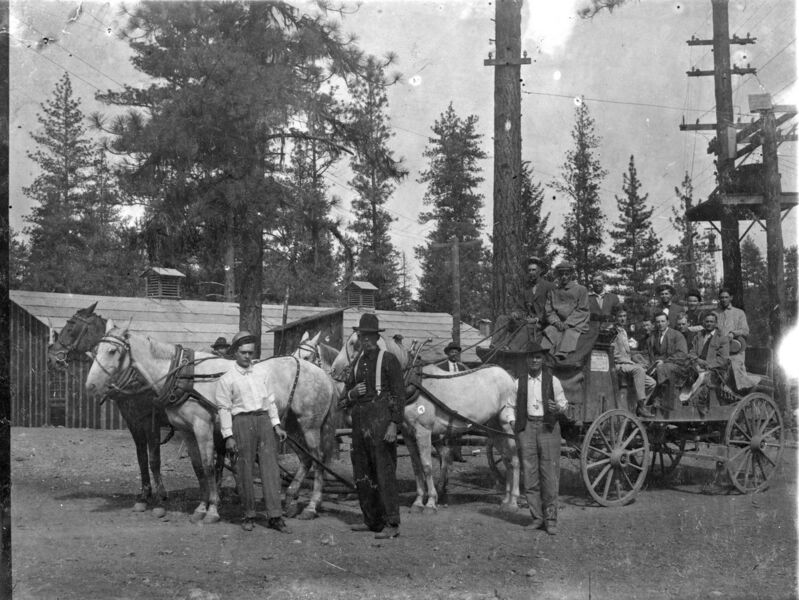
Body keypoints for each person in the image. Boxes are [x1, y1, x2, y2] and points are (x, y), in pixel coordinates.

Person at [216, 331, 290, 533]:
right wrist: (228, 436)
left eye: (250, 352)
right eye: (243, 353)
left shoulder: (262, 374)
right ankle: (248, 514)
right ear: (235, 353)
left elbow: (270, 401)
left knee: (271, 468)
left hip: (263, 420)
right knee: (244, 469)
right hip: (241, 422)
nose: (248, 356)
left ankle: (275, 516)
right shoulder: (227, 379)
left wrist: (276, 425)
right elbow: (224, 408)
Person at [339, 313, 405, 539]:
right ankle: (371, 520)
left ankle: (392, 523)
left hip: (381, 424)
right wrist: (352, 393)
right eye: (362, 336)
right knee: (362, 473)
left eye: (369, 336)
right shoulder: (356, 364)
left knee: (384, 473)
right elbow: (342, 400)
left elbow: (399, 395)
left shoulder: (389, 360)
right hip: (360, 425)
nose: (365, 340)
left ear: (377, 337)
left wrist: (394, 424)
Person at [508, 340, 568, 535]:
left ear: (542, 359)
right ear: (526, 360)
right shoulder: (519, 382)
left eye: (537, 357)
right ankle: (537, 518)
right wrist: (513, 423)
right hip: (527, 428)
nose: (534, 360)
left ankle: (550, 520)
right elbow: (509, 406)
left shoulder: (553, 380)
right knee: (530, 475)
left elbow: (564, 404)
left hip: (548, 428)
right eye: (531, 357)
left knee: (549, 476)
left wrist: (557, 408)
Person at [491, 256, 553, 352]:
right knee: (502, 319)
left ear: (540, 271)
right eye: (529, 270)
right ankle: (495, 346)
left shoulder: (549, 287)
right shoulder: (526, 289)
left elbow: (552, 309)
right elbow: (521, 308)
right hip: (526, 320)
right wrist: (516, 313)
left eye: (533, 270)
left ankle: (511, 349)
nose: (531, 272)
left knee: (527, 327)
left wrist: (536, 319)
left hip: (542, 323)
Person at [611, 306, 656, 418]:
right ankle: (641, 407)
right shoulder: (613, 331)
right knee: (638, 369)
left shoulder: (623, 331)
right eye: (620, 316)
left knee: (651, 383)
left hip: (626, 364)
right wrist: (632, 363)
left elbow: (627, 352)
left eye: (624, 316)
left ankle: (637, 407)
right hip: (618, 365)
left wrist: (637, 359)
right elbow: (614, 355)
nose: (623, 319)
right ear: (615, 317)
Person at [542, 261, 590, 362]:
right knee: (550, 331)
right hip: (558, 323)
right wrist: (556, 322)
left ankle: (562, 355)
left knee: (570, 333)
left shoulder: (581, 289)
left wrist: (568, 323)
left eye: (567, 274)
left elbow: (582, 309)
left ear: (571, 275)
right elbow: (549, 310)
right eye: (561, 274)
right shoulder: (553, 291)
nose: (564, 277)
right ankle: (544, 355)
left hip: (576, 323)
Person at [713, 288, 760, 392]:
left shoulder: (739, 313)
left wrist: (733, 333)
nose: (724, 300)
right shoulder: (715, 313)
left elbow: (745, 331)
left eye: (726, 297)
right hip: (718, 350)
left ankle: (735, 392)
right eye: (721, 297)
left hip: (735, 350)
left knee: (733, 366)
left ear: (731, 298)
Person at [683, 312, 730, 414]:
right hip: (697, 365)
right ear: (703, 322)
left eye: (711, 322)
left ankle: (698, 403)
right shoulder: (699, 336)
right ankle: (681, 400)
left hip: (716, 370)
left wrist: (706, 365)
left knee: (705, 377)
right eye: (707, 321)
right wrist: (697, 362)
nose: (709, 324)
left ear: (716, 323)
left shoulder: (722, 338)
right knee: (682, 371)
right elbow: (692, 352)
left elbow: (723, 359)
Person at [647, 312, 691, 410]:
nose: (660, 324)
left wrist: (664, 361)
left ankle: (659, 398)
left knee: (663, 368)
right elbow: (649, 353)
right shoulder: (653, 337)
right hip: (658, 365)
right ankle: (645, 399)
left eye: (663, 321)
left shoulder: (677, 335)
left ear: (668, 322)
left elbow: (682, 354)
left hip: (678, 366)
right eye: (658, 322)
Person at [435, 341, 469, 462]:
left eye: (456, 352)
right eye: (452, 352)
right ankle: (446, 454)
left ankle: (458, 454)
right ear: (448, 354)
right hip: (446, 400)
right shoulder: (441, 367)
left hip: (459, 401)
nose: (454, 354)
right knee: (446, 427)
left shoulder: (462, 367)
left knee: (459, 428)